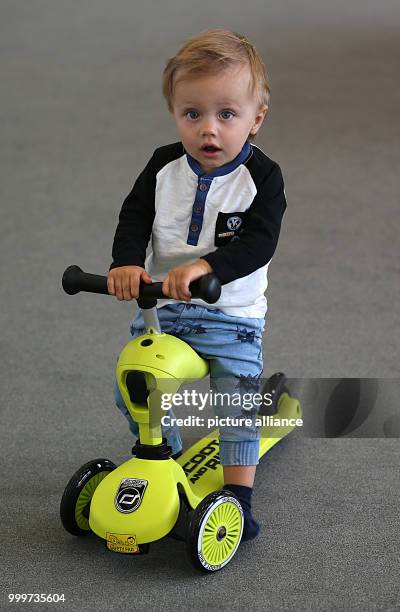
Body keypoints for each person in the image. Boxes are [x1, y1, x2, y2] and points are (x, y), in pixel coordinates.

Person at [108, 29, 287, 541]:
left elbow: (259, 244)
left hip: (232, 314)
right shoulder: (163, 166)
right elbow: (134, 216)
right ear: (174, 113)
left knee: (234, 401)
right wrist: (126, 263)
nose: (209, 129)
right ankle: (165, 458)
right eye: (193, 114)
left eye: (227, 114)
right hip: (163, 307)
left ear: (256, 118)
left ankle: (239, 498)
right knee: (136, 388)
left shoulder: (263, 178)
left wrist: (208, 267)